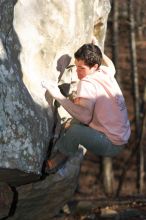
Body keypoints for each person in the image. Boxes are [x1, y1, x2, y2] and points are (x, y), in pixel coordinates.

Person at [41, 39, 131, 174]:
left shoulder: (87, 83)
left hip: (111, 143)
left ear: (94, 67)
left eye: (81, 68)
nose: (78, 72)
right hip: (122, 137)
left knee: (75, 131)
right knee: (77, 112)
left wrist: (57, 94)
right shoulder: (105, 72)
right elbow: (111, 66)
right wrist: (99, 49)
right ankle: (69, 140)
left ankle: (56, 163)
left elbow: (84, 116)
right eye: (76, 66)